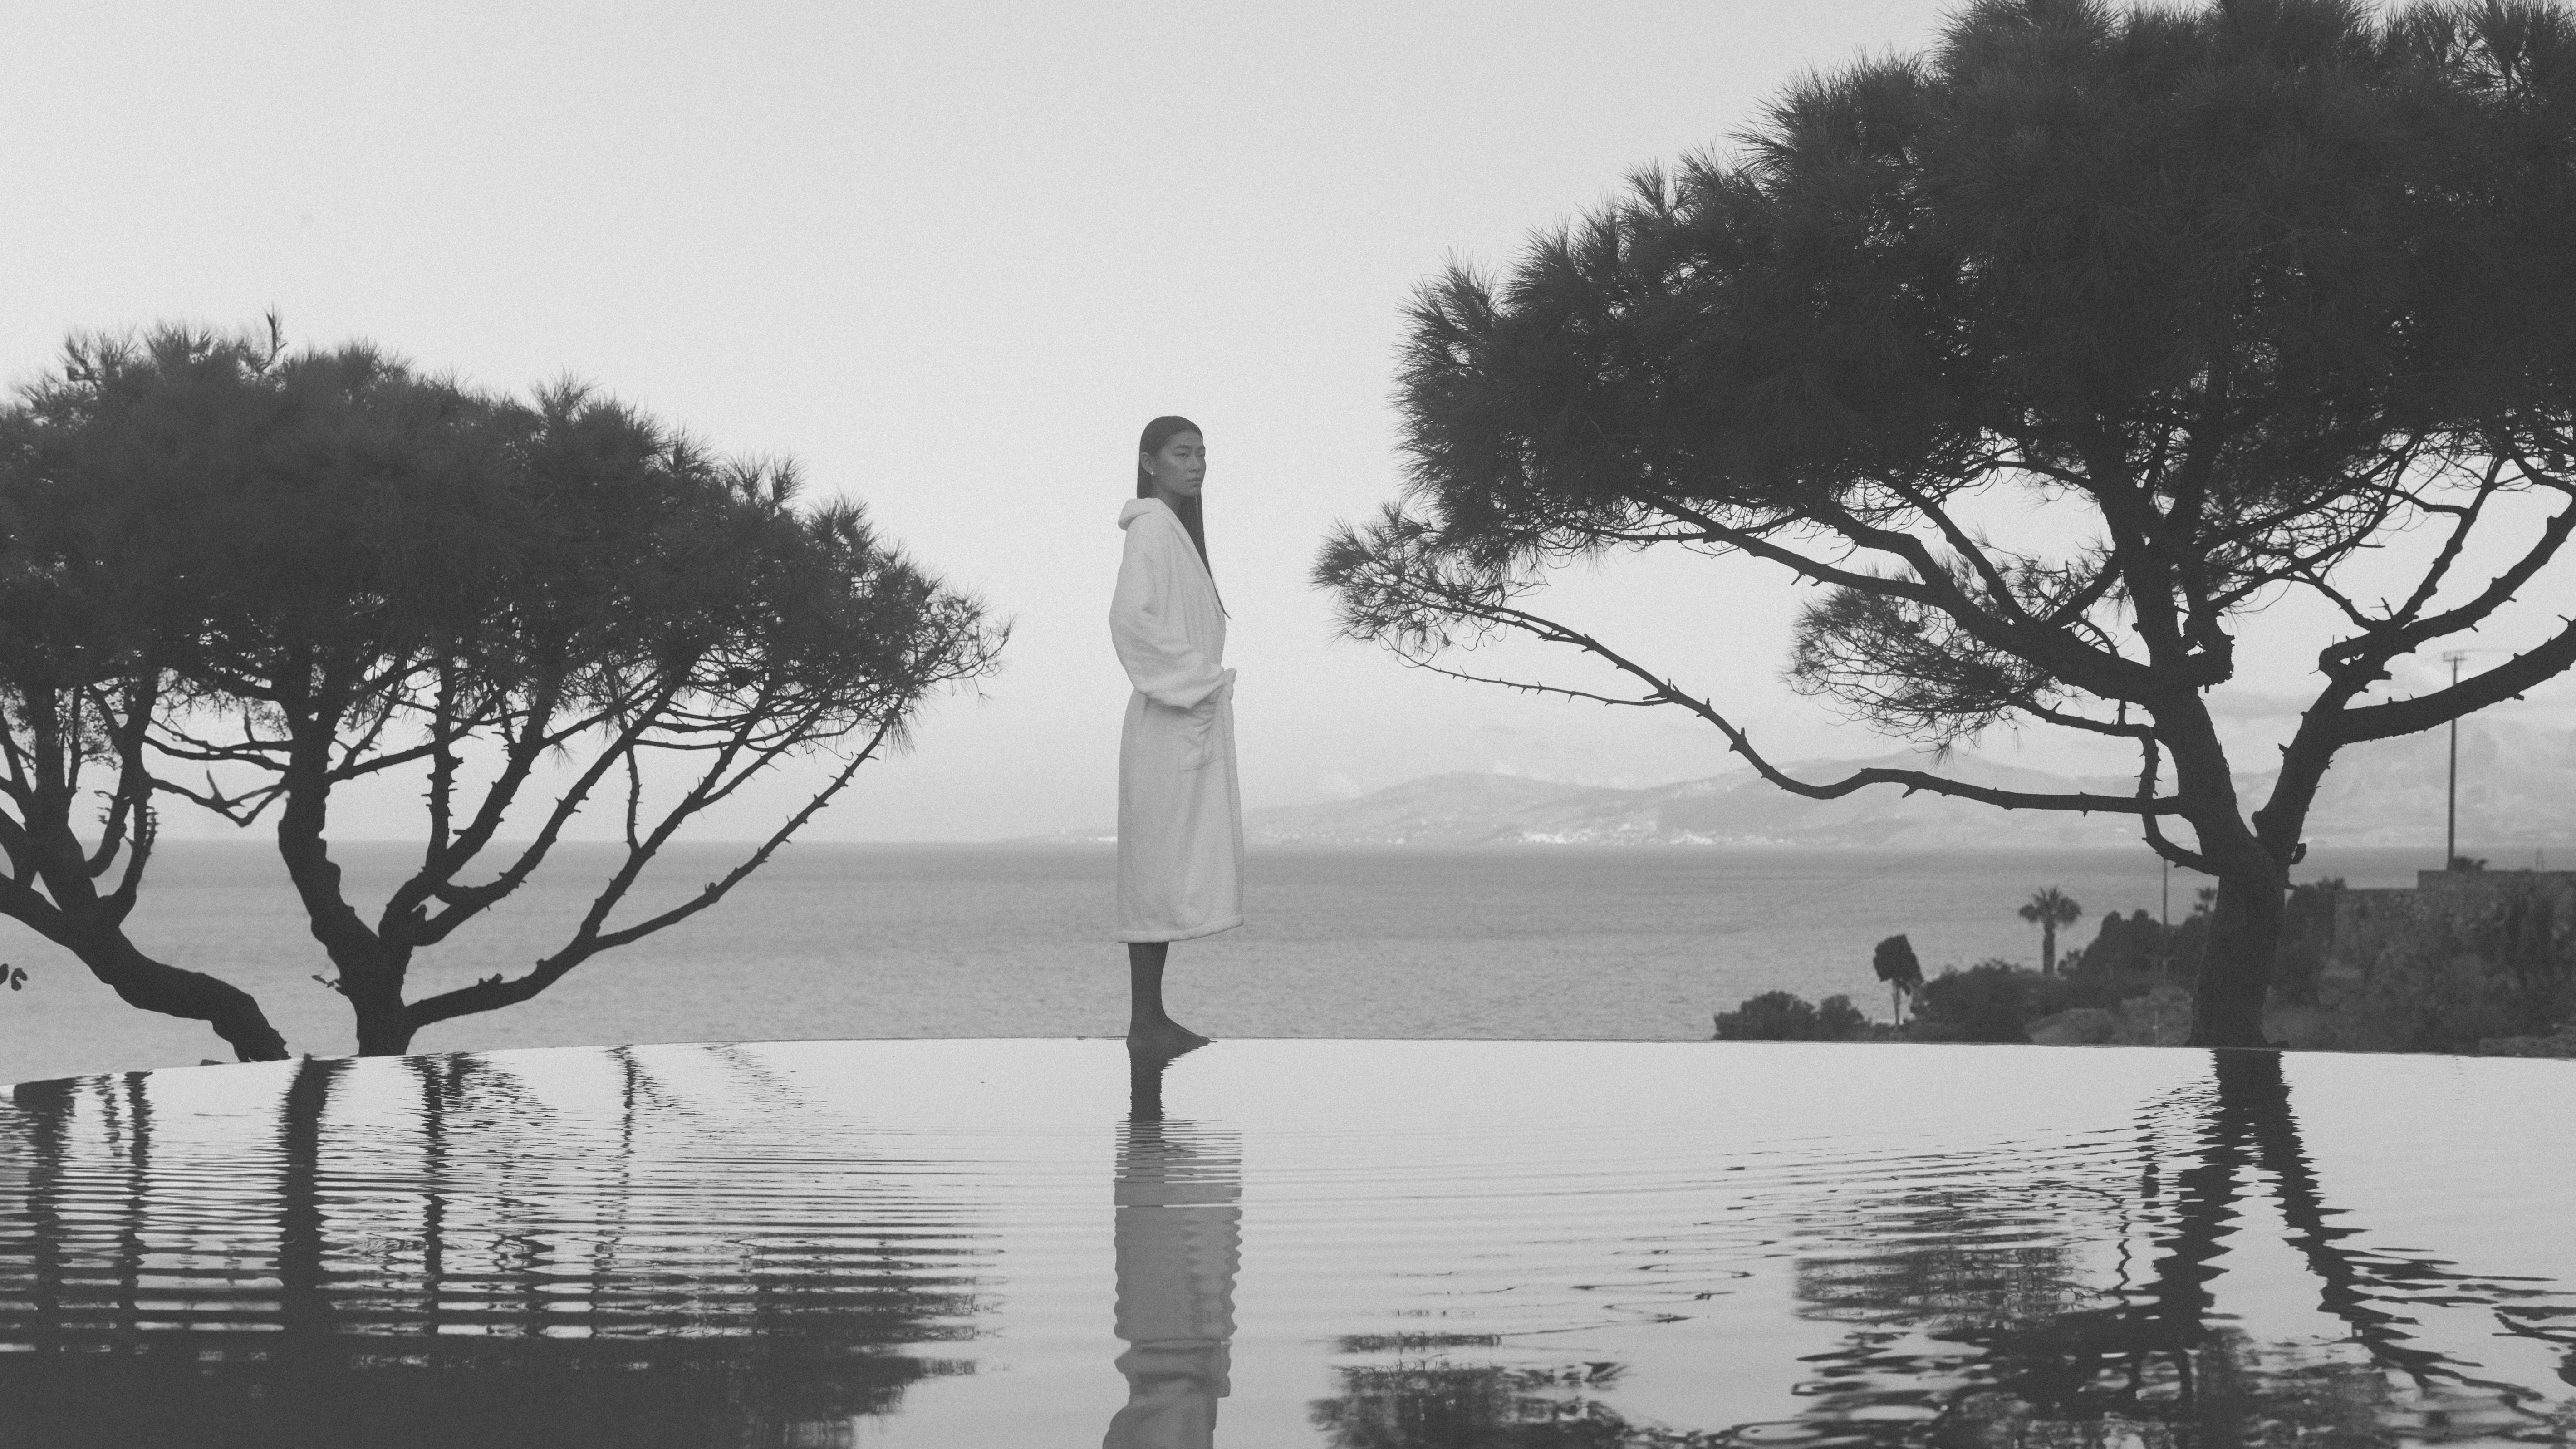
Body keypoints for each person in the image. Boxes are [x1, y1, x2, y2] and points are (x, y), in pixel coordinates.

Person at [1110, 415, 1241, 1057]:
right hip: (1168, 716)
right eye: (1182, 454)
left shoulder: (1174, 534)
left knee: (1162, 871)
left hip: (1182, 715)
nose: (1196, 465)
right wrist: (1198, 680)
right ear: (1150, 460)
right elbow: (1129, 622)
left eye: (1202, 455)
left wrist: (1200, 686)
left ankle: (1150, 1017)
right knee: (1154, 871)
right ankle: (1146, 1021)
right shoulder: (1152, 531)